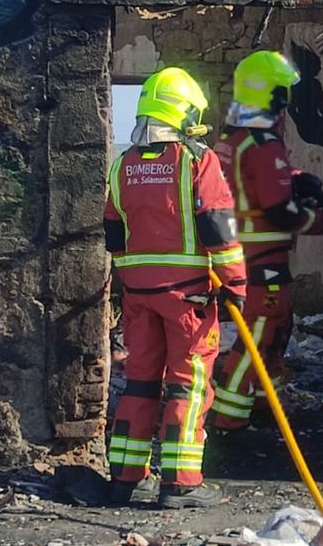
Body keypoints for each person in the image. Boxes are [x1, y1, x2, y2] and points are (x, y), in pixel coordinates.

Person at [103, 67, 246, 508]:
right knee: (189, 384)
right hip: (188, 298)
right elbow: (217, 228)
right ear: (185, 113)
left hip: (138, 296)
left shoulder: (123, 165)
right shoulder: (196, 161)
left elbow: (114, 232)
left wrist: (130, 282)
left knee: (141, 383)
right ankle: (181, 483)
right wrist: (236, 285)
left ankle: (127, 476)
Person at [209, 50, 323, 432]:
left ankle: (265, 404)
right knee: (260, 334)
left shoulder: (233, 138)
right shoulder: (264, 145)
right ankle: (230, 417)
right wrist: (321, 219)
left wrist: (295, 176)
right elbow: (281, 211)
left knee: (275, 330)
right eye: (285, 93)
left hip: (240, 254)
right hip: (263, 257)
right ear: (274, 95)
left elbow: (247, 181)